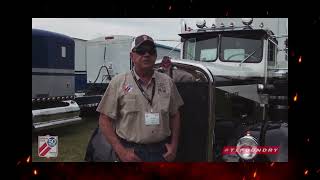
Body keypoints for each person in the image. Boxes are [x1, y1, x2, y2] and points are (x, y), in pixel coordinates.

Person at [96, 35, 184, 162]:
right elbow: (104, 120)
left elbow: (175, 115)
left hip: (162, 152)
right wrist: (121, 151)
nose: (147, 54)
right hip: (131, 152)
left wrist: (174, 146)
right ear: (132, 56)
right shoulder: (118, 82)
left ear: (155, 55)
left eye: (151, 50)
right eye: (141, 50)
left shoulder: (167, 82)